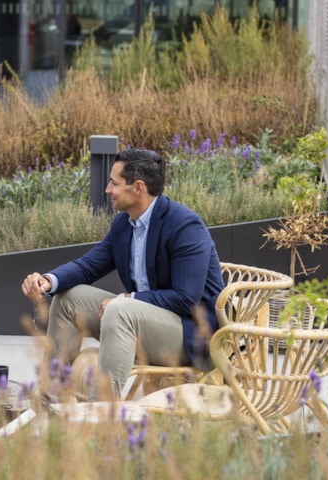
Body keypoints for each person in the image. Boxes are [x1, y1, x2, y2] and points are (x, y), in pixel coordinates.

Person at [21, 148, 225, 399]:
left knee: (119, 309)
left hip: (190, 335)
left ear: (138, 188)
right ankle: (53, 402)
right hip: (138, 321)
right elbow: (88, 266)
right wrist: (48, 280)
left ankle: (102, 416)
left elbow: (186, 298)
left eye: (113, 183)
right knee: (69, 298)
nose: (107, 190)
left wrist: (128, 299)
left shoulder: (184, 226)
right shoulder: (124, 224)